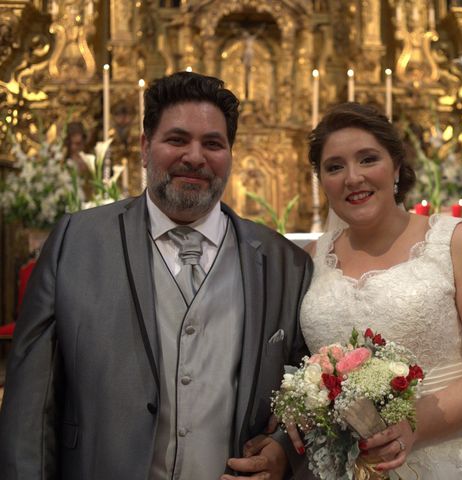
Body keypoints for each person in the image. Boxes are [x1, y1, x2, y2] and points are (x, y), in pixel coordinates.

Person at [0, 72, 313, 480]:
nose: (195, 157)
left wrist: (285, 452)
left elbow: (307, 391)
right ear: (146, 147)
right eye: (177, 139)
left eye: (213, 144)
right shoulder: (76, 243)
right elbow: (30, 408)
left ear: (231, 154)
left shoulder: (283, 261)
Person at [290, 102, 462, 478]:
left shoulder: (453, 242)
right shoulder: (311, 258)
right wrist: (299, 406)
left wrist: (413, 424)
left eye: (368, 159)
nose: (352, 178)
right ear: (321, 180)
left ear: (397, 167)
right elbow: (298, 365)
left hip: (453, 459)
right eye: (334, 167)